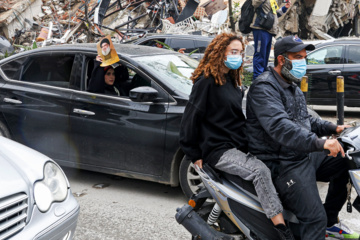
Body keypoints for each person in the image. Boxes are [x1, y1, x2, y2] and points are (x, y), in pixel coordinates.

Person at [179, 33, 294, 239]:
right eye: (233, 52)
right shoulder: (206, 82)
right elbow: (189, 120)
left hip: (237, 145)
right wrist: (194, 154)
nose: (238, 56)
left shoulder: (231, 80)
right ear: (220, 52)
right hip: (218, 150)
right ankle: (281, 230)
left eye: (240, 53)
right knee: (259, 171)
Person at [246, 35, 360, 240]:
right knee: (314, 219)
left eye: (305, 57)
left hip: (302, 154)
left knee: (346, 160)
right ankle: (320, 223)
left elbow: (306, 120)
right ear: (282, 60)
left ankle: (331, 220)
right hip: (283, 163)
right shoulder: (264, 88)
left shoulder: (292, 85)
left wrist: (335, 127)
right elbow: (281, 127)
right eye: (298, 57)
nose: (303, 62)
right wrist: (320, 143)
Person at [251, 0, 291, 79]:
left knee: (265, 56)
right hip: (260, 29)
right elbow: (255, 3)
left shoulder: (273, 1)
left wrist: (284, 8)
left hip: (269, 30)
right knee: (260, 55)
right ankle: (257, 79)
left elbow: (275, 15)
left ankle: (262, 78)